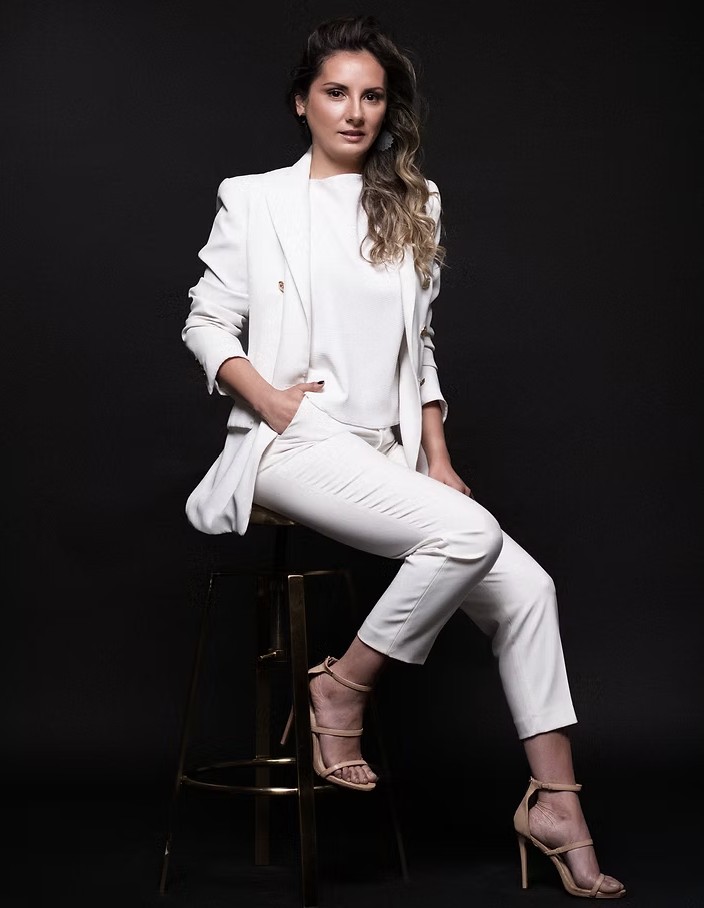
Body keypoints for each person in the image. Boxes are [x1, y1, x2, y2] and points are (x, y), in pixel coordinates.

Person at [180, 13, 625, 900]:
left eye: (372, 96)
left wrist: (437, 457)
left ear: (389, 108)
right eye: (335, 93)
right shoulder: (255, 199)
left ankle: (556, 805)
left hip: (384, 451)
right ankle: (341, 688)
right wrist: (266, 397)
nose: (354, 112)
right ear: (302, 102)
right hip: (292, 442)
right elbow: (205, 319)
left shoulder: (414, 202)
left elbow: (417, 347)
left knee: (527, 587)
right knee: (469, 537)